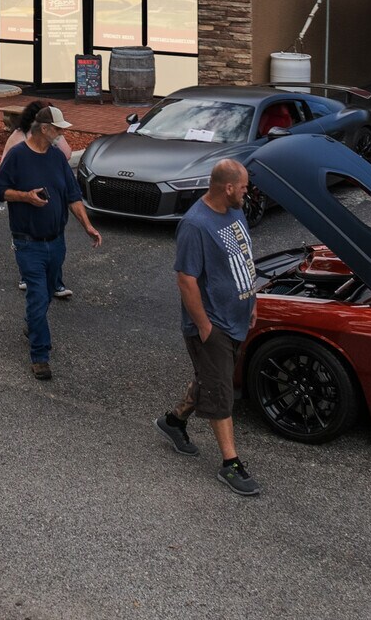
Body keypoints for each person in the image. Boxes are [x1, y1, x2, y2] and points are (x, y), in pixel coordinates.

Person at [157, 158, 262, 497]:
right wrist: (204, 326)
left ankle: (173, 422)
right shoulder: (195, 225)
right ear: (227, 187)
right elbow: (186, 279)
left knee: (209, 379)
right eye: (243, 187)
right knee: (221, 390)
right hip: (212, 323)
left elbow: (243, 259)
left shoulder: (236, 211)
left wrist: (252, 299)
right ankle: (230, 463)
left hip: (237, 316)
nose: (247, 192)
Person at [0, 103, 100, 380]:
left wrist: (87, 226)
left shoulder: (56, 159)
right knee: (38, 295)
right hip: (28, 243)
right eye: (58, 130)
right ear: (45, 129)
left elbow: (73, 196)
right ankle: (40, 355)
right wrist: (25, 196)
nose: (61, 135)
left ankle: (33, 322)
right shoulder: (17, 156)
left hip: (56, 242)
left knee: (47, 292)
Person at [6, 102, 77, 302]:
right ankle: (29, 277)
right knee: (29, 241)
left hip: (53, 200)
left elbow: (67, 153)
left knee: (55, 239)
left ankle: (55, 281)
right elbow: (4, 169)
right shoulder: (19, 139)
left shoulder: (53, 140)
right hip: (26, 206)